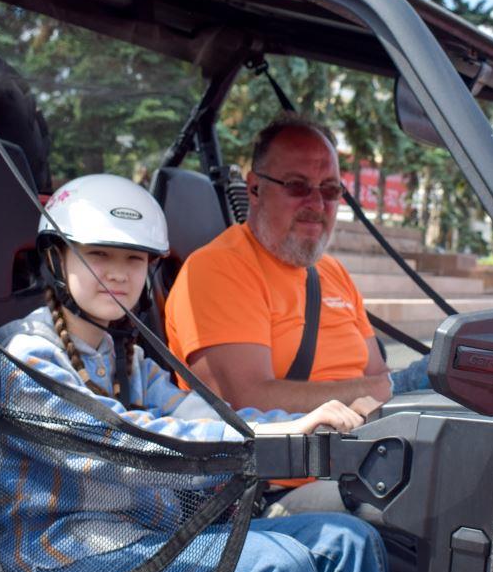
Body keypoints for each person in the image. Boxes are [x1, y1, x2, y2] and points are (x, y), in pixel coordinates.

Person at [0, 173, 388, 572]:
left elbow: (204, 415)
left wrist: (317, 422)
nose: (118, 273)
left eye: (134, 259)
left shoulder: (128, 358)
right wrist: (268, 435)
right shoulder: (25, 356)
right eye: (97, 254)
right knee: (275, 568)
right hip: (69, 564)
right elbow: (129, 443)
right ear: (57, 259)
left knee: (348, 542)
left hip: (153, 541)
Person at [165, 114, 427, 420]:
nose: (317, 205)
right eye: (297, 186)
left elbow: (378, 375)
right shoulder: (217, 269)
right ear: (254, 189)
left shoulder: (333, 272)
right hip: (293, 459)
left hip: (366, 443)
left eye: (330, 190)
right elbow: (246, 400)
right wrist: (396, 386)